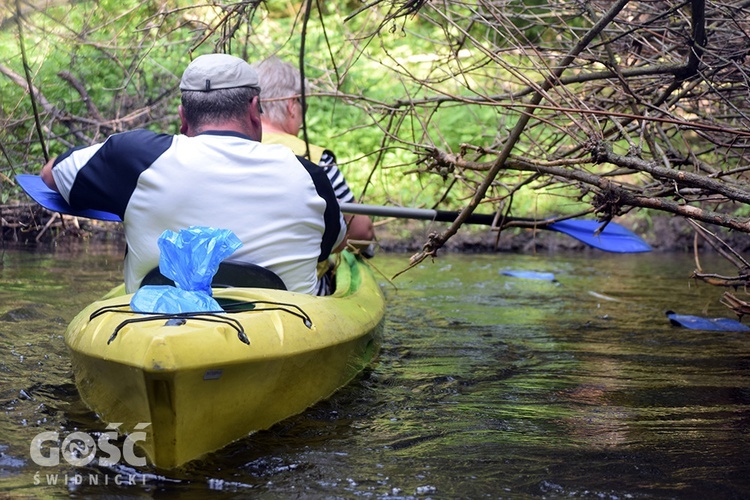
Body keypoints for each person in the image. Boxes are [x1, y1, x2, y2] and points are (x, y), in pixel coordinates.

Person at [41, 53, 347, 296]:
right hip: (283, 334)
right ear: (255, 108)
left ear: (183, 116)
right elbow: (332, 244)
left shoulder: (134, 157)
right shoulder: (311, 176)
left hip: (155, 332)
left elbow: (51, 176)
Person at [251, 57, 375, 248]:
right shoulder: (316, 159)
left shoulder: (230, 148)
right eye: (304, 107)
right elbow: (361, 232)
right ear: (292, 105)